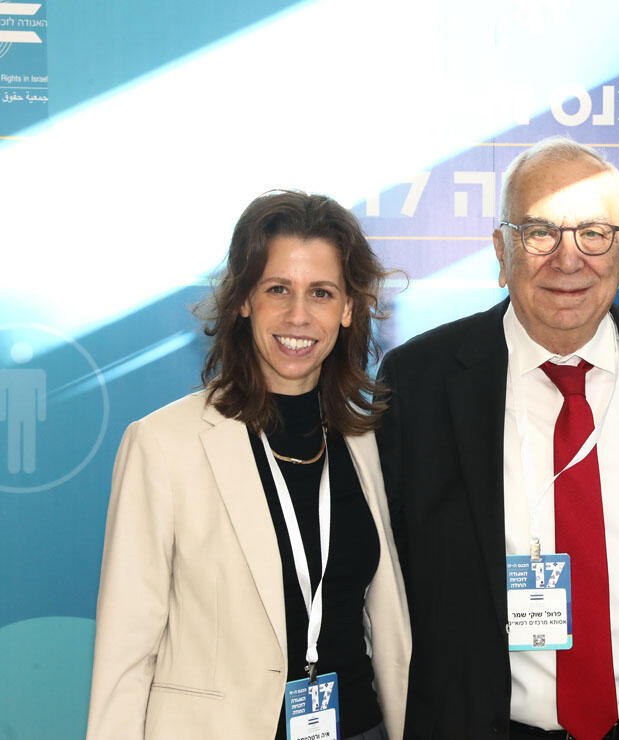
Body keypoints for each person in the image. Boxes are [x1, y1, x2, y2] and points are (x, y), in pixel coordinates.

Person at [376, 136, 619, 739]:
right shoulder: (419, 384)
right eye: (540, 233)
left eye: (593, 233)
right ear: (501, 250)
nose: (568, 259)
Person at [87, 191, 410, 740]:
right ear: (243, 300)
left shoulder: (367, 442)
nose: (298, 315)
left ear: (348, 309)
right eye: (277, 289)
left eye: (321, 293)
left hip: (361, 726)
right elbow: (125, 652)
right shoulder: (163, 445)